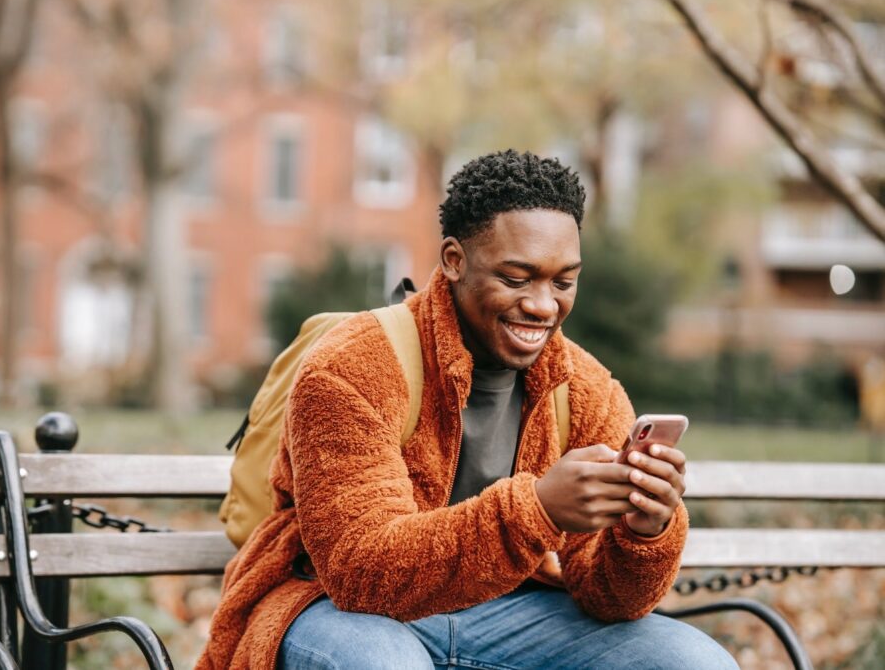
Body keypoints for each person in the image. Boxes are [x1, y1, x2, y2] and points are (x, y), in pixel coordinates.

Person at [196, 150, 738, 669]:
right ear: (454, 261)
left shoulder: (585, 388)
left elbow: (611, 600)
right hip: (327, 606)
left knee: (695, 661)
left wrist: (645, 529)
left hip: (506, 612)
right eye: (515, 278)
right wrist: (539, 510)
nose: (544, 305)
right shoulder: (353, 364)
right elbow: (360, 573)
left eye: (564, 281)